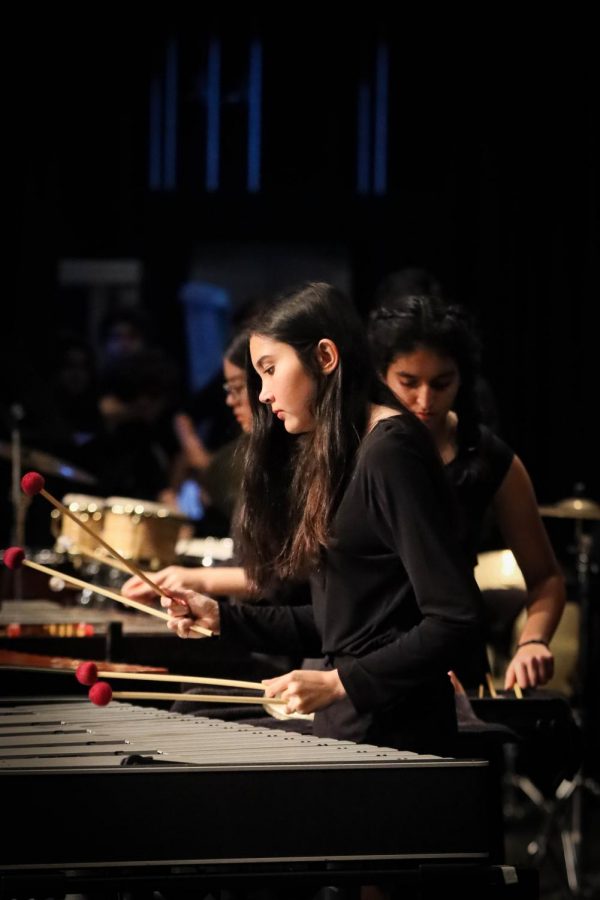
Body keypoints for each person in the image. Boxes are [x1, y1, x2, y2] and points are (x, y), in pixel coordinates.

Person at [155, 282, 482, 756]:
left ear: (325, 357)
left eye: (269, 370)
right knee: (189, 719)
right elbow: (341, 624)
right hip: (353, 725)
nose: (263, 394)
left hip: (394, 737)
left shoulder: (390, 451)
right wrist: (221, 616)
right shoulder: (345, 453)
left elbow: (455, 620)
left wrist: (340, 682)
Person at [367, 293, 566, 691]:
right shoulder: (356, 446)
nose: (425, 400)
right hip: (364, 655)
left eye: (441, 383)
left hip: (453, 663)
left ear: (461, 379)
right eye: (408, 382)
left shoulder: (486, 455)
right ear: (383, 376)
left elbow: (546, 577)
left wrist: (532, 641)